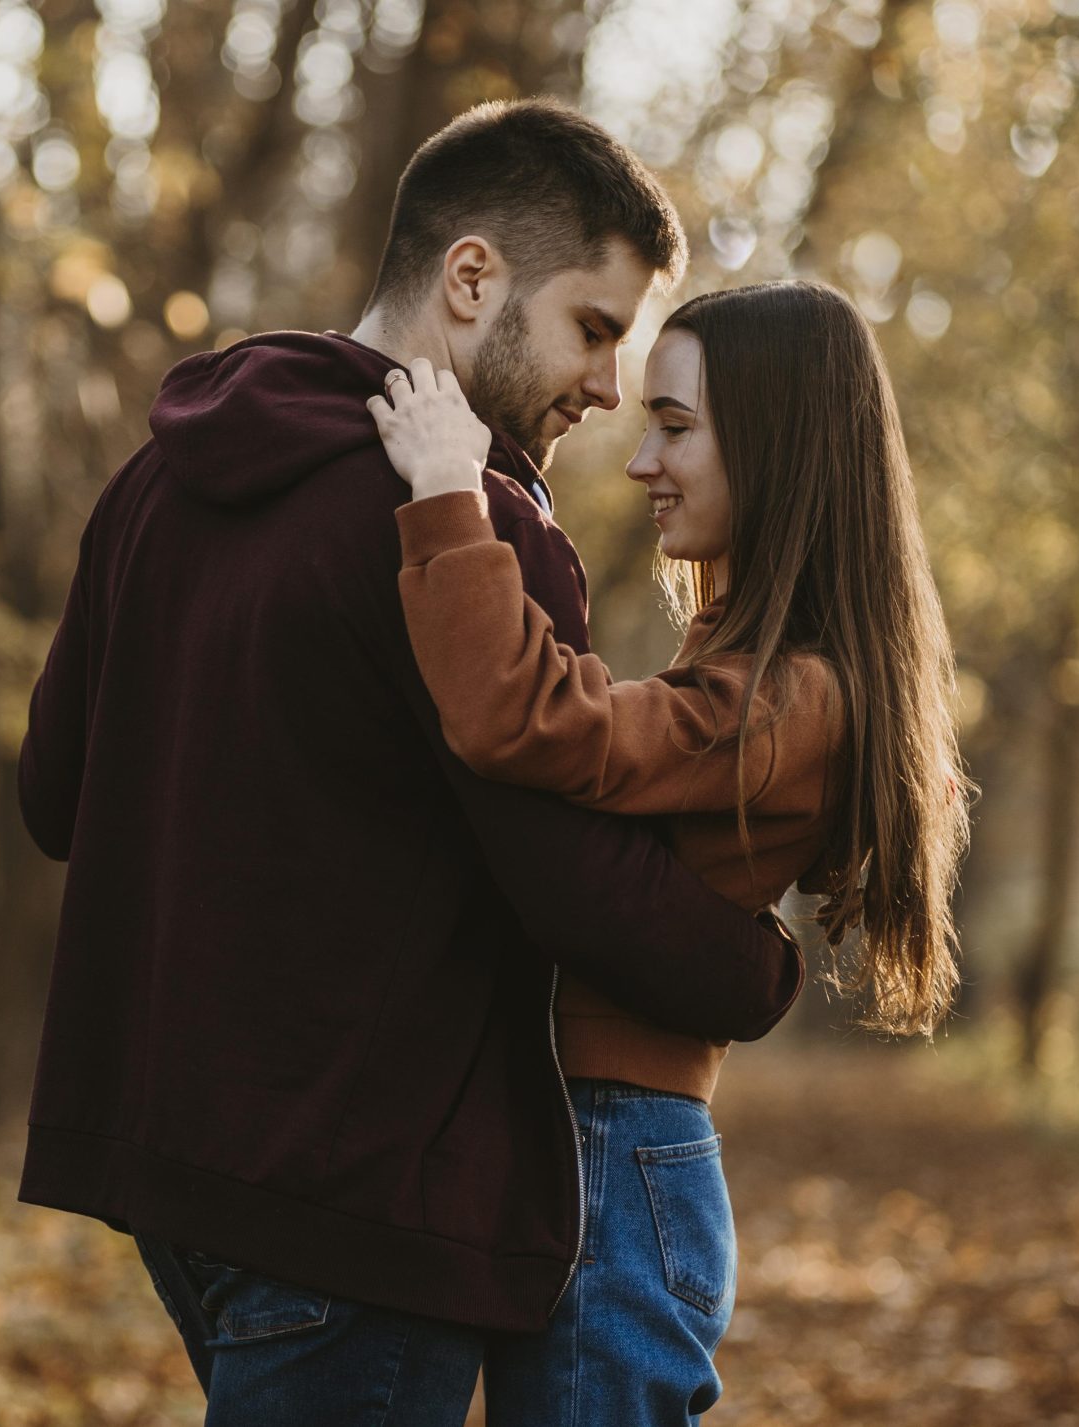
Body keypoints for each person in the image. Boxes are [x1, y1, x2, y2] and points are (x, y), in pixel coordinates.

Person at [14, 99, 807, 1426]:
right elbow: (569, 884)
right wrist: (755, 965)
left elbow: (54, 796)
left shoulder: (158, 480)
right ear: (472, 277)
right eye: (594, 328)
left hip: (171, 1169)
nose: (608, 388)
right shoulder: (467, 534)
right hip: (365, 1190)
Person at [366, 278, 972, 1423]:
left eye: (676, 426)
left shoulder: (791, 700)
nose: (642, 459)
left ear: (781, 447)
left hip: (617, 1162)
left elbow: (531, 721)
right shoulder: (759, 669)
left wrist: (449, 495)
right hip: (595, 1153)